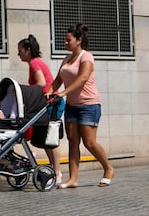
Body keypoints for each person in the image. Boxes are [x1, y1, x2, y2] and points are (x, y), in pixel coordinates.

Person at [45, 23, 114, 189]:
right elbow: (57, 81)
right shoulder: (66, 59)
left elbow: (82, 78)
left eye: (68, 40)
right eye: (65, 40)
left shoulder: (86, 57)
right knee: (73, 142)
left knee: (89, 142)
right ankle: (73, 179)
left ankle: (108, 168)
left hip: (89, 105)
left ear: (79, 40)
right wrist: (48, 92)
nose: (65, 43)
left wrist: (63, 93)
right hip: (72, 106)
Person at [18, 34, 63, 184]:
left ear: (28, 50)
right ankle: (53, 169)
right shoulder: (35, 63)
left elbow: (42, 83)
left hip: (51, 102)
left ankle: (57, 172)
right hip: (47, 103)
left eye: (20, 51)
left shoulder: (34, 64)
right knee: (46, 138)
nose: (19, 54)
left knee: (51, 138)